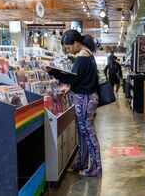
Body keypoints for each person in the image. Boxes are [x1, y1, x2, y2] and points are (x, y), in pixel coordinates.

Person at [42, 29, 102, 177]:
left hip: (85, 99)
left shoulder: (82, 56)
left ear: (76, 43)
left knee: (87, 133)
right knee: (83, 132)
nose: (68, 51)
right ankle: (82, 162)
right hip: (86, 98)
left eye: (68, 48)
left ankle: (94, 168)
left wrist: (53, 71)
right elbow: (76, 78)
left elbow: (71, 79)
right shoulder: (87, 54)